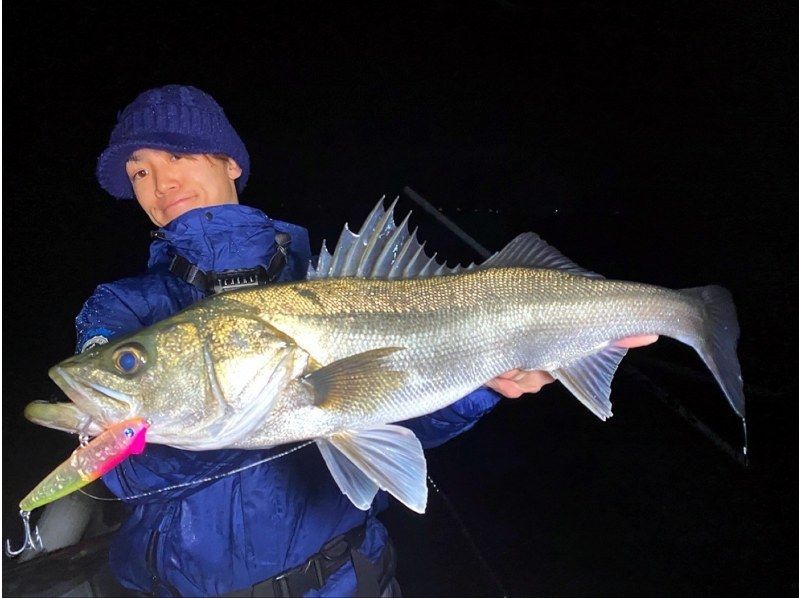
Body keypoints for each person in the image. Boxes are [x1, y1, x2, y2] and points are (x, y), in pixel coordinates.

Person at [64, 84, 656, 597]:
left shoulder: (336, 281)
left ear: (229, 161)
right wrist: (243, 411)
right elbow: (122, 476)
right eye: (139, 171)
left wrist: (485, 388)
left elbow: (405, 419)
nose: (161, 183)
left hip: (346, 581)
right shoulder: (123, 307)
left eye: (177, 154)